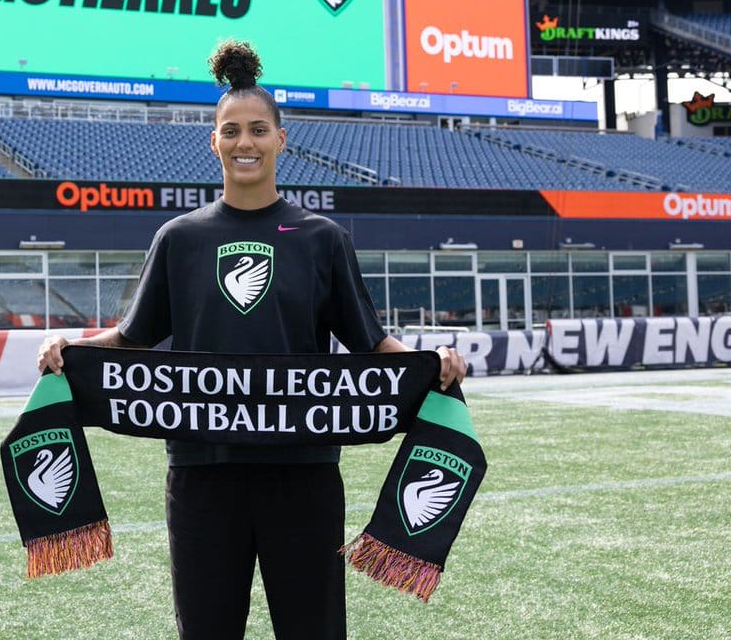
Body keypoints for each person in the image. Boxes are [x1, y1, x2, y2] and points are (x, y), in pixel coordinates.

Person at [37, 39, 466, 640]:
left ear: (281, 141)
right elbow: (134, 338)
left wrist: (432, 361)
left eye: (259, 130)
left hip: (305, 471)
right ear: (213, 141)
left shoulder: (321, 238)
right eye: (231, 130)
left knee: (312, 629)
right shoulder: (179, 238)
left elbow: (369, 343)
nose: (245, 142)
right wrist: (71, 351)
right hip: (202, 471)